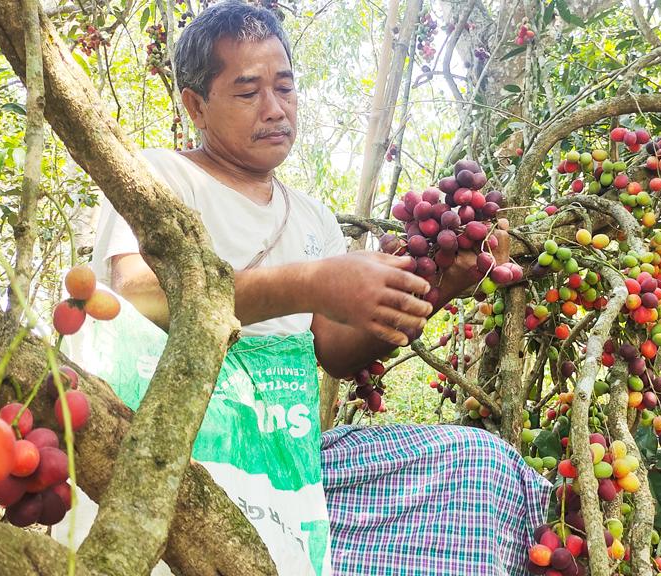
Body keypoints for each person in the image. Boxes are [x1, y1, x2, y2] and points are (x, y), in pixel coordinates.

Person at [60, 2, 552, 575]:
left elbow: (337, 353)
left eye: (285, 88)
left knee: (478, 464)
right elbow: (140, 293)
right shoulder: (159, 177)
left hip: (282, 457)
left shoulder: (311, 218)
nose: (274, 109)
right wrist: (315, 281)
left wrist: (436, 287)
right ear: (195, 105)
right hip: (175, 447)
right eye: (247, 92)